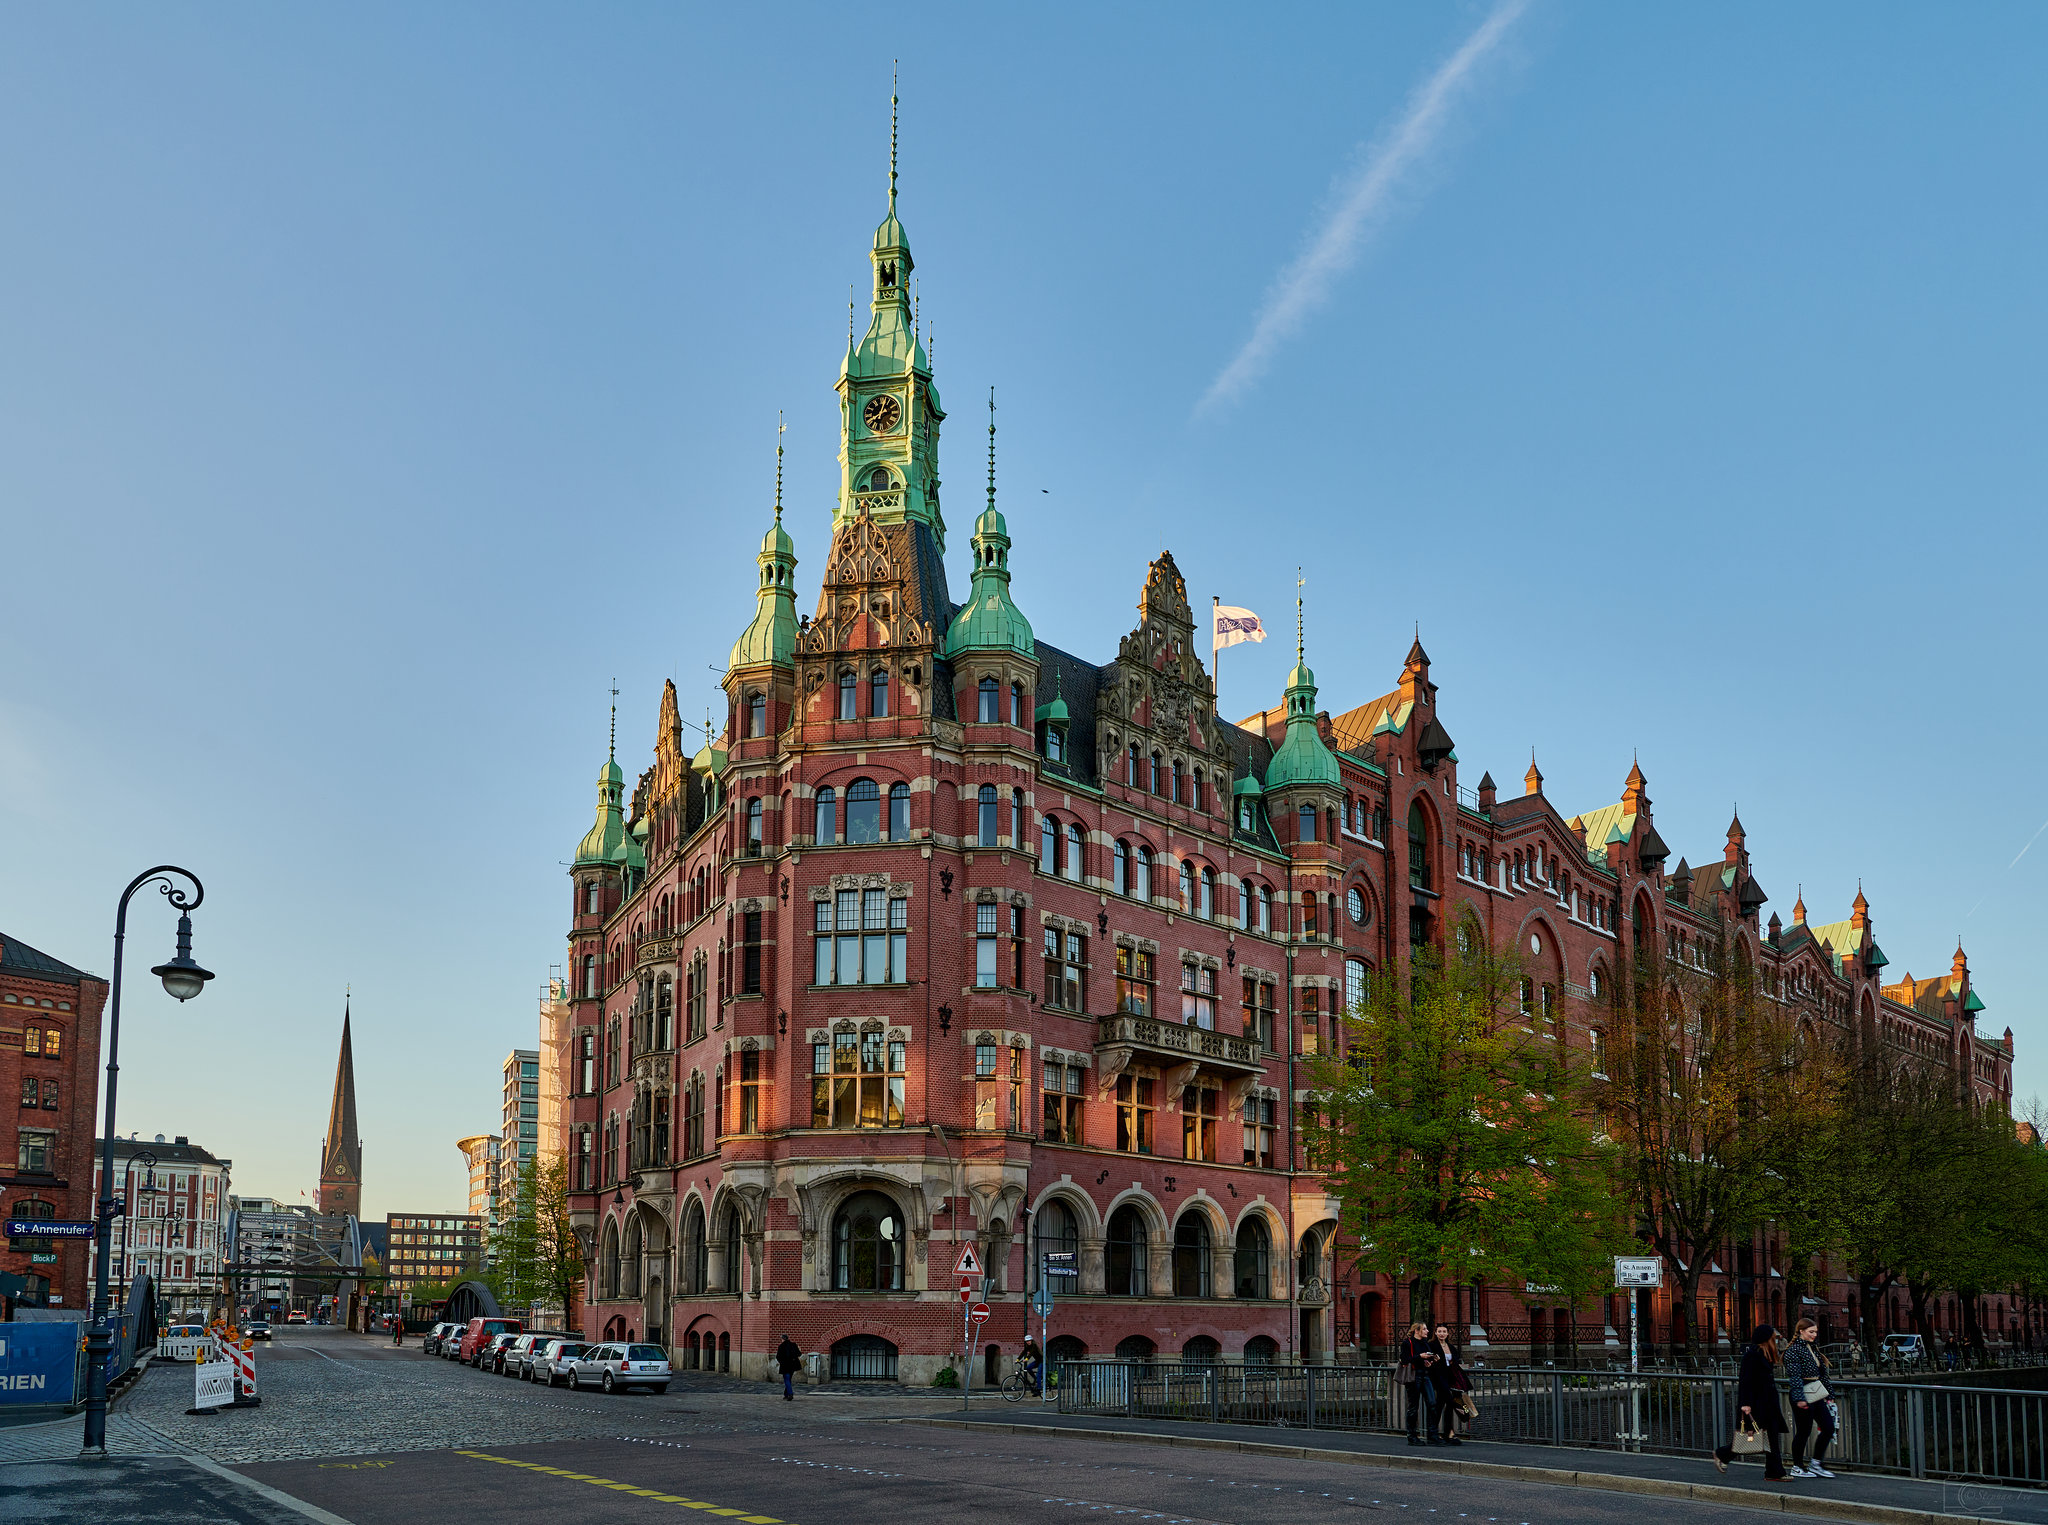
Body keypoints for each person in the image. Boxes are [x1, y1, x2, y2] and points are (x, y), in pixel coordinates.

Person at [1712, 1324, 1790, 1482]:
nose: (1775, 1340)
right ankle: (1722, 1454)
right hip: (1758, 1405)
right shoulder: (1753, 1356)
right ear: (1766, 1339)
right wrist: (1746, 1404)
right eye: (1772, 1338)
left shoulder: (1764, 1354)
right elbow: (1746, 1381)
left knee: (1771, 1437)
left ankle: (1774, 1472)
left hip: (1767, 1404)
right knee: (1752, 1437)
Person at [1782, 1318, 1837, 1479]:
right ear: (1801, 1331)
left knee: (1828, 1427)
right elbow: (1795, 1376)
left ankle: (1816, 1463)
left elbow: (1822, 1375)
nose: (1814, 1335)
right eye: (1811, 1331)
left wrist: (1830, 1395)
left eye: (1815, 1332)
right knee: (1804, 1432)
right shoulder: (1793, 1350)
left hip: (1816, 1393)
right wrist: (1800, 1398)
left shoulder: (1812, 1348)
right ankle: (1797, 1466)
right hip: (1803, 1394)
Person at [1397, 1321, 1441, 1446]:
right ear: (1417, 1331)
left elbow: (1426, 1358)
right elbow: (1405, 1359)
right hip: (1413, 1376)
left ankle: (1432, 1434)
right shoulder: (1407, 1343)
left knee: (1432, 1403)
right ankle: (1412, 1436)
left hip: (1425, 1375)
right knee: (1413, 1407)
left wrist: (1431, 1360)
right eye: (1425, 1329)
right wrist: (1420, 1357)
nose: (1427, 1331)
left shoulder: (1425, 1343)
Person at [1431, 1322, 1466, 1445]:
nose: (1442, 1334)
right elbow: (1430, 1362)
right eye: (1439, 1331)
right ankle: (1446, 1432)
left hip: (1450, 1378)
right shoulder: (1432, 1345)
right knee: (1447, 1403)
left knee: (1444, 1405)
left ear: (1447, 1333)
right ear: (1435, 1333)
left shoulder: (1451, 1347)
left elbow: (1455, 1362)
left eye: (1444, 1331)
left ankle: (1443, 1433)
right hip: (1438, 1378)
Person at [776, 1333, 803, 1401]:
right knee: (788, 1379)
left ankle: (790, 1394)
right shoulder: (793, 1345)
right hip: (793, 1365)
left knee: (787, 1379)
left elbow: (778, 1357)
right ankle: (786, 1394)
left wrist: (781, 1362)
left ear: (783, 1339)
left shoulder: (781, 1346)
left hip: (785, 1365)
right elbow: (799, 1354)